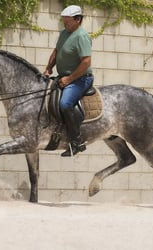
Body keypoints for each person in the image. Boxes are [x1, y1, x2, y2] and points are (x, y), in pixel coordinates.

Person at [43, 5, 94, 157]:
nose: (64, 24)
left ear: (78, 20)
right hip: (64, 77)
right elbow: (57, 51)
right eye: (63, 21)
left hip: (80, 79)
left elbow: (86, 62)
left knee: (65, 104)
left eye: (67, 21)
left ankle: (77, 142)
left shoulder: (81, 36)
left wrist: (69, 79)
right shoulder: (64, 33)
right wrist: (48, 68)